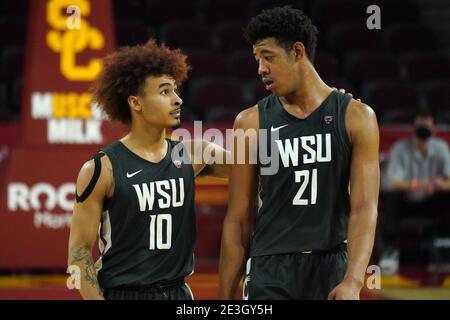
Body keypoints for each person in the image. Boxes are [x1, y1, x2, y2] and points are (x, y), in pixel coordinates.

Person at [218, 6, 380, 300]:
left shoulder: (356, 117)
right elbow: (238, 219)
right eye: (257, 59)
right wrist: (225, 298)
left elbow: (364, 208)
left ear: (297, 51)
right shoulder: (251, 122)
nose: (260, 69)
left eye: (268, 56)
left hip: (331, 264)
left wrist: (354, 281)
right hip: (270, 268)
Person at [68, 40, 229, 300]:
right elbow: (78, 255)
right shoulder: (102, 168)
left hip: (178, 292)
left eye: (176, 91)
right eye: (165, 92)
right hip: (124, 293)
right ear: (136, 102)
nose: (177, 100)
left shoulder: (191, 153)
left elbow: (260, 170)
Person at [379, 109, 450, 275]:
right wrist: (417, 185)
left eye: (427, 124)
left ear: (434, 129)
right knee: (392, 197)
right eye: (420, 125)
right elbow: (390, 182)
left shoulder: (441, 148)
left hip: (431, 201)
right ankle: (390, 252)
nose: (424, 128)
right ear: (413, 128)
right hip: (405, 202)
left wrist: (441, 184)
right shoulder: (400, 148)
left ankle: (443, 248)